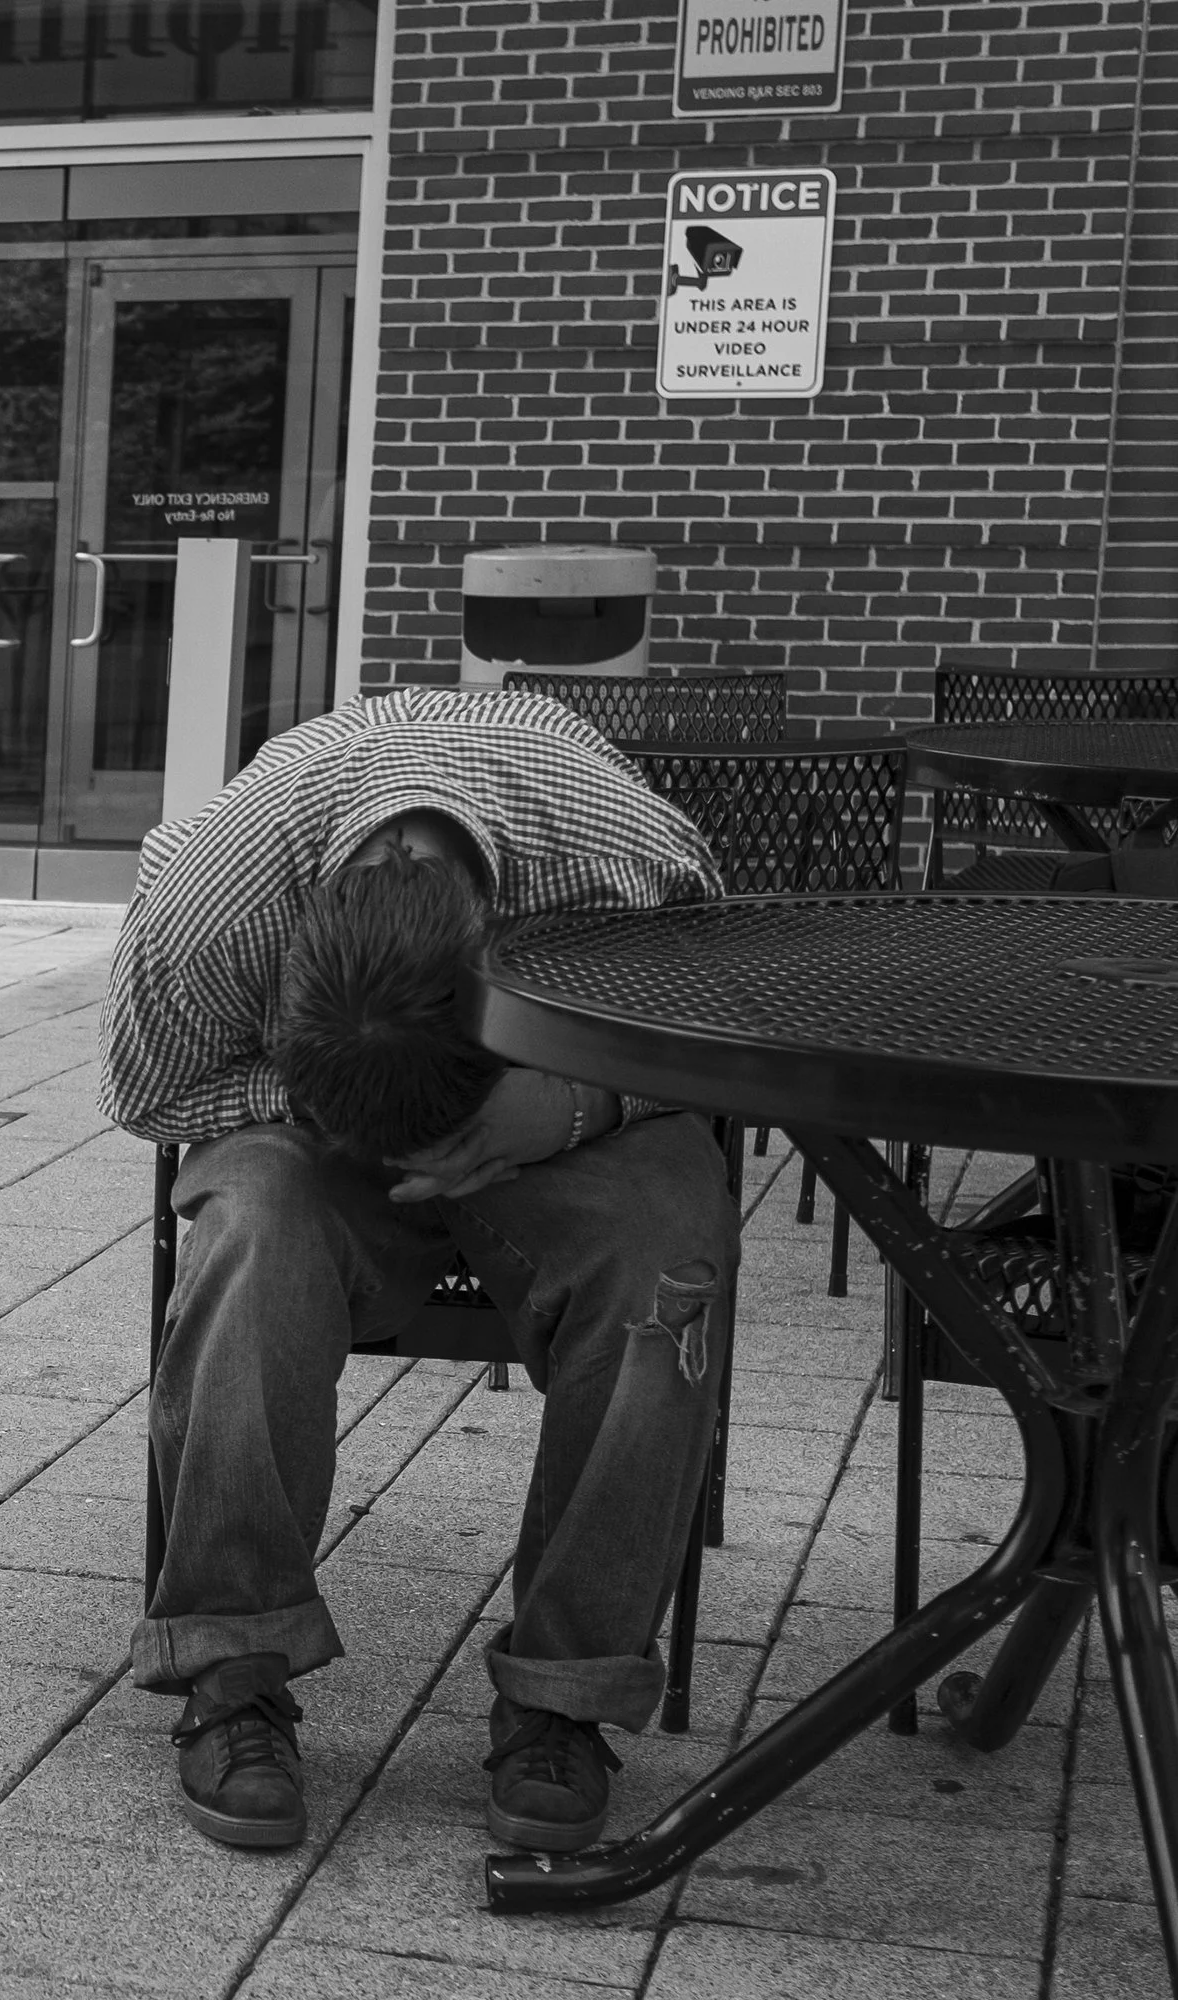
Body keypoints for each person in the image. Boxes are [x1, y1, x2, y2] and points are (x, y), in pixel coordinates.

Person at [100, 682, 735, 1855]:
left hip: (564, 1107)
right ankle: (231, 1666)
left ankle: (566, 1695)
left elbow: (735, 1025)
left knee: (665, 1251)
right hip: (314, 1122)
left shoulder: (620, 859)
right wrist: (327, 1103)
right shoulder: (210, 904)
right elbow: (147, 1090)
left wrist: (582, 1100)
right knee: (252, 1226)